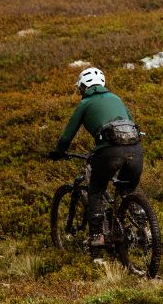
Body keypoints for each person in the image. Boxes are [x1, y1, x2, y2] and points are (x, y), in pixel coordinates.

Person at [48, 67, 143, 250]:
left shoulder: (84, 104)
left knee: (96, 189)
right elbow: (132, 123)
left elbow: (67, 136)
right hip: (136, 150)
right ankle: (144, 230)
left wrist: (58, 152)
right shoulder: (116, 98)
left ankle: (97, 237)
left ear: (83, 87)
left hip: (108, 152)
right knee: (127, 190)